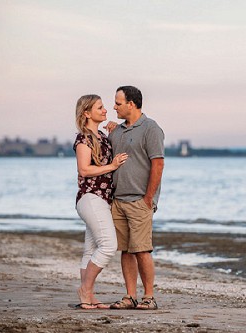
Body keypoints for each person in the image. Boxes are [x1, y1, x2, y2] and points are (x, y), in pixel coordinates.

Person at [106, 86, 165, 310]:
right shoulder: (117, 131)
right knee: (126, 250)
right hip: (118, 200)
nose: (114, 107)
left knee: (142, 249)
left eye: (118, 103)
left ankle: (149, 297)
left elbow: (158, 164)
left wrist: (148, 198)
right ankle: (130, 297)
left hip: (140, 200)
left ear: (131, 103)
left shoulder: (151, 128)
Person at [72, 94, 128, 309]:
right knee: (108, 246)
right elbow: (84, 170)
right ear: (87, 113)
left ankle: (89, 296)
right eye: (100, 108)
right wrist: (112, 166)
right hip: (91, 197)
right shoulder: (83, 138)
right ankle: (85, 290)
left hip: (102, 200)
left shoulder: (103, 136)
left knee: (90, 249)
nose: (105, 111)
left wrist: (116, 131)